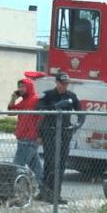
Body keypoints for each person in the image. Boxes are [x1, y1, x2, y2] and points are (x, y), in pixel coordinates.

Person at [36, 73, 84, 204]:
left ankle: (56, 194)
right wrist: (55, 106)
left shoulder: (71, 96)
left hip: (64, 134)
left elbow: (81, 113)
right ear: (56, 82)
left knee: (60, 164)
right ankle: (45, 192)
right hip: (50, 132)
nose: (65, 86)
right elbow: (39, 108)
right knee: (50, 163)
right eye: (62, 83)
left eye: (67, 83)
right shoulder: (48, 95)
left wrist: (78, 124)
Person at [8, 78, 44, 193]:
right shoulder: (24, 101)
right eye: (19, 87)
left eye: (22, 87)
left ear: (29, 87)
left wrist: (40, 135)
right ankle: (45, 188)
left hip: (30, 138)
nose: (20, 89)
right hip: (23, 137)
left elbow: (42, 118)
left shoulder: (36, 100)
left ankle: (12, 190)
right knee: (36, 167)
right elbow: (10, 111)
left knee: (17, 165)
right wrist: (13, 99)